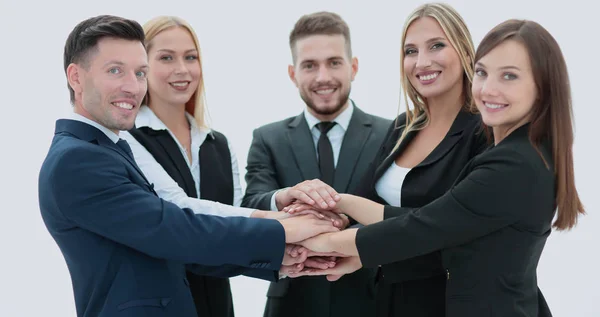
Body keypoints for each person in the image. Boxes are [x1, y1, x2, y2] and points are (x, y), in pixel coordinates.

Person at [38, 15, 339, 317]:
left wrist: (283, 258)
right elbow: (171, 227)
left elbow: (177, 239)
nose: (132, 86)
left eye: (140, 73)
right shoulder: (79, 159)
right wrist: (280, 230)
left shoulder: (108, 148)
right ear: (75, 77)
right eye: (115, 70)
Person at [291, 18, 585, 317]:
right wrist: (340, 203)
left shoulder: (513, 162)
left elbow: (425, 228)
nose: (488, 89)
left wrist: (315, 241)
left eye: (509, 76)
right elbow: (430, 218)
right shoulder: (414, 129)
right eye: (483, 73)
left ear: (543, 84)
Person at [329, 3, 485, 316]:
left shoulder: (483, 133)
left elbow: (448, 231)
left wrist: (354, 232)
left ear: (467, 53)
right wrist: (314, 215)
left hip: (451, 302)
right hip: (391, 297)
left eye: (437, 46)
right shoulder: (404, 126)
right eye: (410, 51)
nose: (421, 62)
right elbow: (361, 202)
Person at [241, 11, 392, 317]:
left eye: (334, 62)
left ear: (354, 67)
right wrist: (288, 200)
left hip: (373, 300)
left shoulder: (391, 134)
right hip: (291, 304)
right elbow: (251, 203)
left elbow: (397, 214)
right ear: (292, 73)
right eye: (310, 65)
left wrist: (341, 225)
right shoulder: (267, 138)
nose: (323, 77)